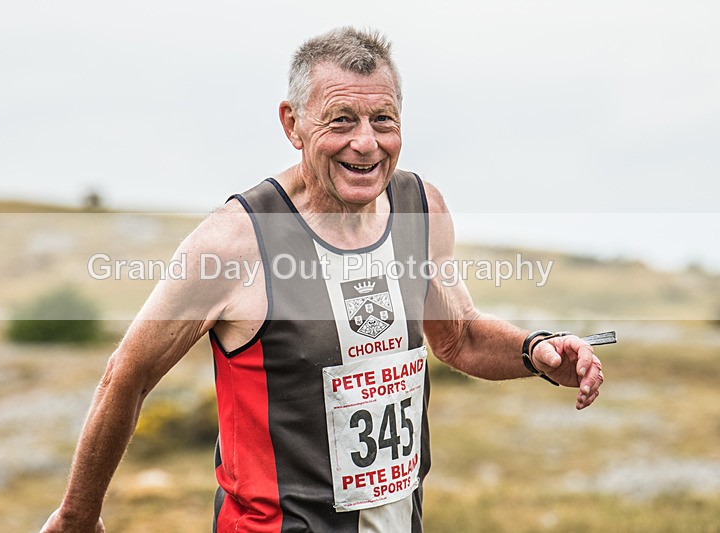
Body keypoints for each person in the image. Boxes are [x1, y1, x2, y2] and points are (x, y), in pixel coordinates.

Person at [41, 27, 604, 533]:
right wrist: (76, 518)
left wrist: (537, 353)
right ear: (292, 124)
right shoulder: (234, 242)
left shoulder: (419, 209)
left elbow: (460, 336)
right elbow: (126, 376)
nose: (366, 143)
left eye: (383, 120)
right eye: (341, 121)